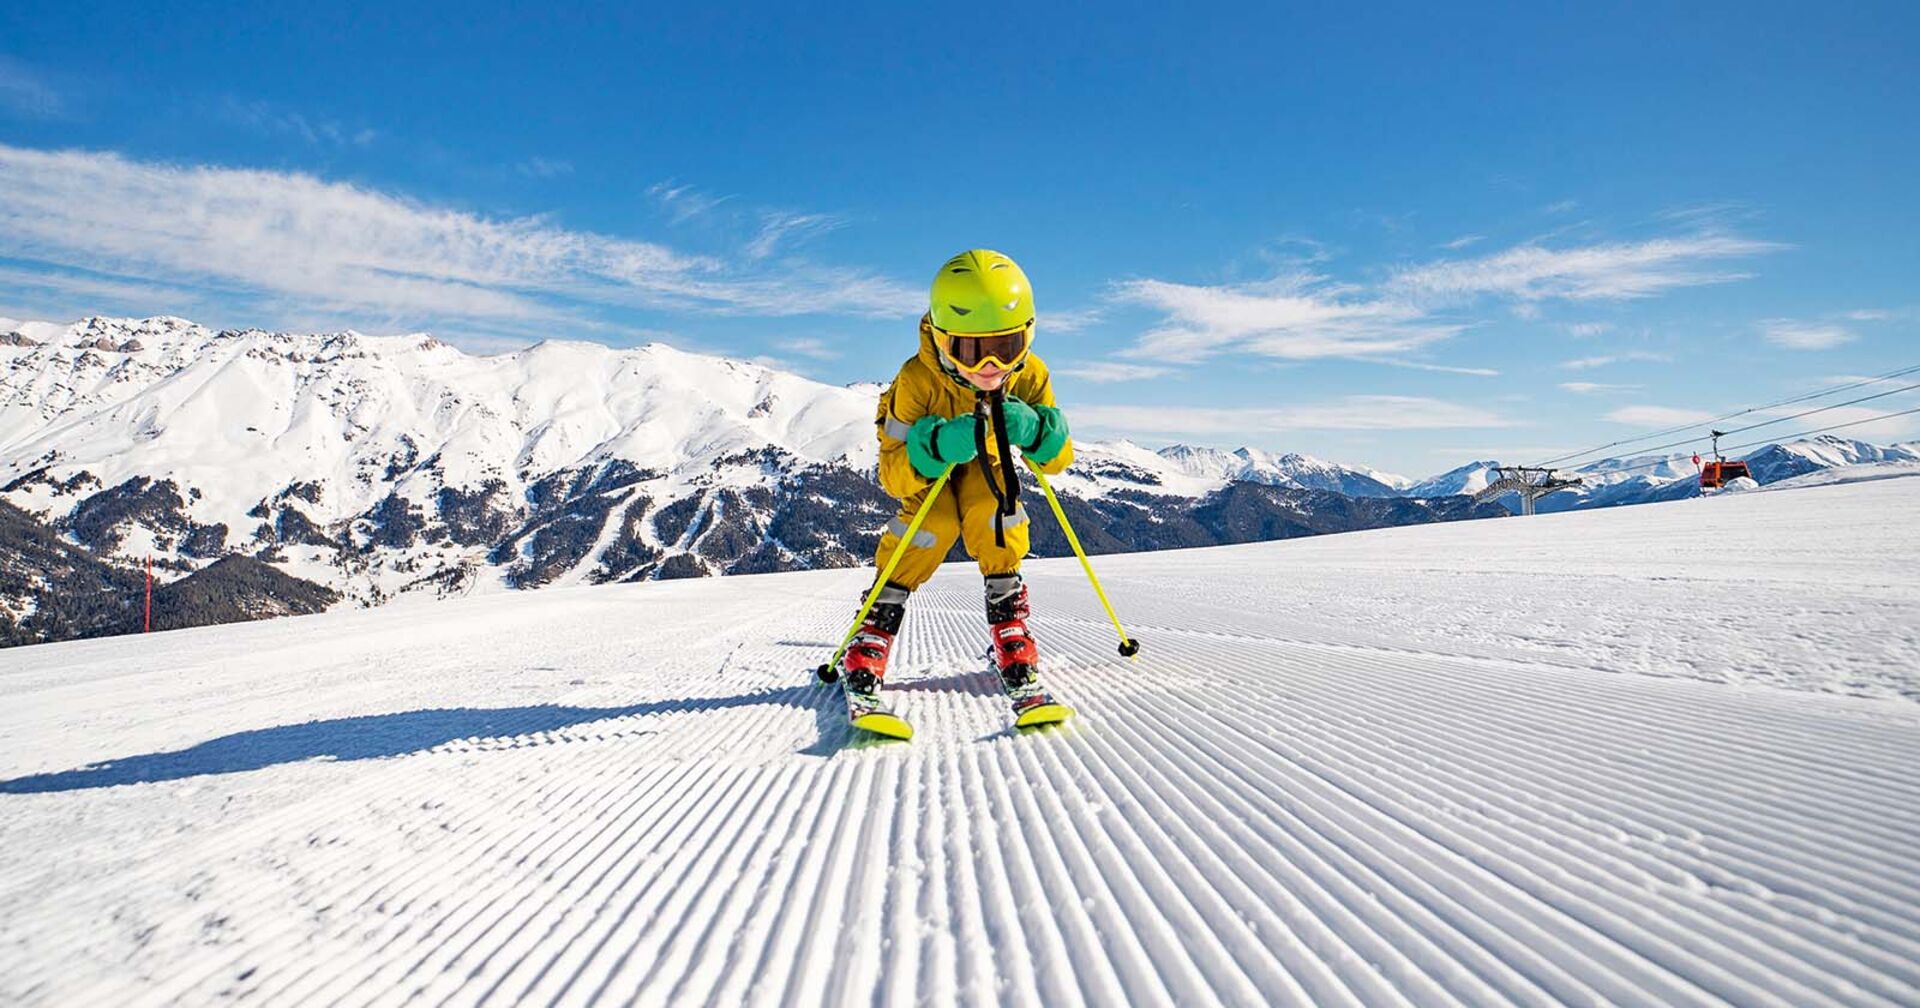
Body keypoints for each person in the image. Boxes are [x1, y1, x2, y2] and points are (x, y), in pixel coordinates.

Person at [836, 249, 1074, 703]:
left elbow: (1058, 458)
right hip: (932, 481)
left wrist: (1035, 429)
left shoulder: (1029, 375)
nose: (989, 368)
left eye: (1005, 349)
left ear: (1027, 337)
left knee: (995, 511)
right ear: (942, 340)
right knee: (931, 525)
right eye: (970, 350)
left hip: (990, 469)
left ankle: (1009, 623)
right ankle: (874, 626)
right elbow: (894, 476)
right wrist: (935, 448)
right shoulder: (917, 380)